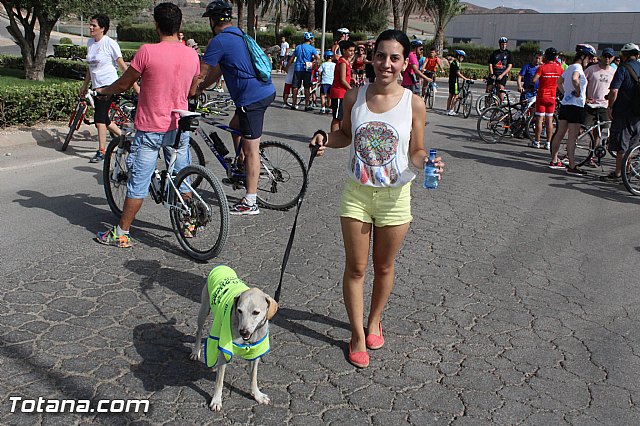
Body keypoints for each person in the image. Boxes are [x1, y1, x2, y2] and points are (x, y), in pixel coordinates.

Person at [309, 29, 444, 369]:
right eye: (381, 55)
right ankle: (356, 334)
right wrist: (325, 139)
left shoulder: (414, 102)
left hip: (396, 196)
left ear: (404, 63)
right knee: (356, 268)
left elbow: (416, 149)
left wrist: (427, 161)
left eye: (394, 57)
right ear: (372, 58)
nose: (386, 63)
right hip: (356, 194)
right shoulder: (354, 96)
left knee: (384, 266)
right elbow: (343, 135)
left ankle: (374, 321)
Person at [94, 2, 200, 248]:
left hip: (152, 126)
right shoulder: (191, 54)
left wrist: (104, 92)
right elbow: (193, 90)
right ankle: (189, 225)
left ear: (156, 25)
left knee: (138, 181)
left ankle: (122, 232)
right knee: (181, 176)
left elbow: (123, 84)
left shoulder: (147, 52)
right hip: (179, 126)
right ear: (179, 25)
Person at [196, 0, 276, 215]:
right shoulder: (238, 35)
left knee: (251, 150)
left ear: (212, 20)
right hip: (264, 92)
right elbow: (217, 72)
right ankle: (242, 166)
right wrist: (200, 88)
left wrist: (190, 90)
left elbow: (202, 73)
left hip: (251, 99)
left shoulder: (219, 41)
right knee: (234, 126)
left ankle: (250, 201)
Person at [80, 13, 139, 163]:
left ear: (103, 28)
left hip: (110, 85)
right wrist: (85, 85)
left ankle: (101, 151)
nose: (90, 27)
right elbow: (90, 68)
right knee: (105, 119)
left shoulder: (110, 43)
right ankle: (125, 139)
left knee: (99, 118)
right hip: (97, 86)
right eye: (90, 24)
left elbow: (123, 66)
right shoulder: (90, 43)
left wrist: (135, 86)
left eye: (94, 25)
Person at [548, 43, 597, 174]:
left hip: (566, 104)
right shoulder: (578, 68)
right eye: (589, 58)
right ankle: (572, 165)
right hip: (575, 106)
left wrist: (565, 93)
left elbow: (559, 82)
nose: (590, 61)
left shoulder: (569, 67)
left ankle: (554, 160)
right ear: (583, 56)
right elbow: (575, 79)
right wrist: (578, 91)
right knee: (572, 137)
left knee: (559, 133)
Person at [601, 43, 640, 182]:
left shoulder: (623, 69)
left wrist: (610, 107)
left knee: (622, 146)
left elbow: (614, 91)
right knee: (633, 145)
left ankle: (619, 173)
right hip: (638, 114)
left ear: (625, 55)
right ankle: (628, 171)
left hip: (623, 112)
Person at [584, 47, 616, 166]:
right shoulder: (592, 69)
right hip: (591, 105)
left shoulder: (614, 72)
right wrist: (585, 98)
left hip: (604, 106)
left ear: (612, 58)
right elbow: (582, 83)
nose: (607, 59)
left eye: (610, 57)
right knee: (584, 129)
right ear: (602, 56)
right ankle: (569, 153)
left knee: (602, 131)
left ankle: (593, 155)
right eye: (605, 56)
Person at [531, 47, 563, 149]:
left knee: (539, 119)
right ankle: (548, 143)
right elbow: (563, 81)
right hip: (552, 97)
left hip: (541, 96)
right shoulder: (559, 68)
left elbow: (534, 80)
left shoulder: (542, 67)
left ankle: (537, 141)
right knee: (549, 120)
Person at [329, 39, 355, 131]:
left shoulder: (347, 62)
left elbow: (346, 77)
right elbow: (342, 80)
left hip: (343, 93)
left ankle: (339, 135)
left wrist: (352, 79)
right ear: (344, 51)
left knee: (341, 117)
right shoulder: (342, 62)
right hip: (339, 93)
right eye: (350, 51)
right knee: (337, 118)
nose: (352, 53)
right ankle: (333, 137)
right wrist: (351, 89)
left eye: (353, 51)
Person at [291, 32, 320, 111]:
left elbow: (292, 58)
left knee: (295, 86)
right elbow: (318, 57)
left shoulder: (298, 47)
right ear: (310, 40)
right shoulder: (311, 48)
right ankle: (306, 105)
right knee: (307, 87)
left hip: (298, 68)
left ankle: (293, 104)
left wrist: (287, 67)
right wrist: (315, 65)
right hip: (307, 69)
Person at [486, 36, 513, 102]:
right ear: (500, 44)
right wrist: (492, 73)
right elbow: (490, 63)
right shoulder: (495, 53)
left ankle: (500, 105)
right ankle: (486, 106)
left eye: (505, 44)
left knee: (500, 89)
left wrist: (502, 75)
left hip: (502, 74)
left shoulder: (508, 53)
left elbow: (509, 66)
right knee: (488, 89)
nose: (504, 46)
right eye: (502, 44)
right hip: (494, 73)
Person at [446, 50, 468, 116]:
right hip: (455, 81)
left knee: (450, 95)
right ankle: (452, 110)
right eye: (462, 57)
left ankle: (448, 109)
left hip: (451, 80)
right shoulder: (456, 63)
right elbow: (457, 73)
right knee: (456, 95)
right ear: (458, 56)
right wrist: (465, 78)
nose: (463, 59)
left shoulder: (453, 62)